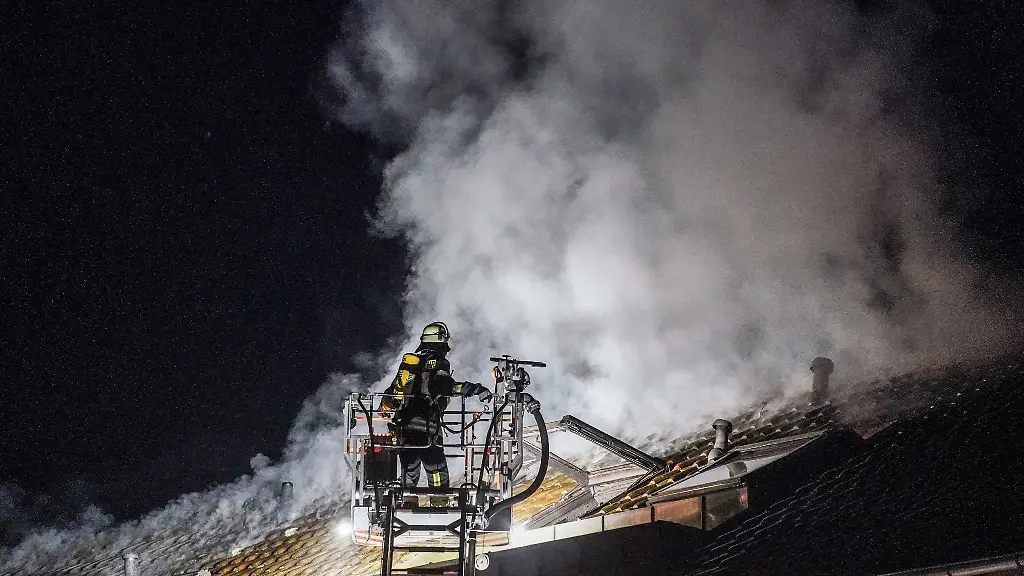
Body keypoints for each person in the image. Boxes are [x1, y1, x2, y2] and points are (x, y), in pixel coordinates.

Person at [378, 321, 492, 505]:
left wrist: (383, 407)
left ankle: (407, 506)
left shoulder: (410, 366)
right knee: (437, 472)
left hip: (404, 430)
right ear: (441, 343)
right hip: (428, 429)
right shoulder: (438, 363)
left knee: (409, 471)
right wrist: (474, 389)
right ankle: (439, 509)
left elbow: (392, 394)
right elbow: (445, 386)